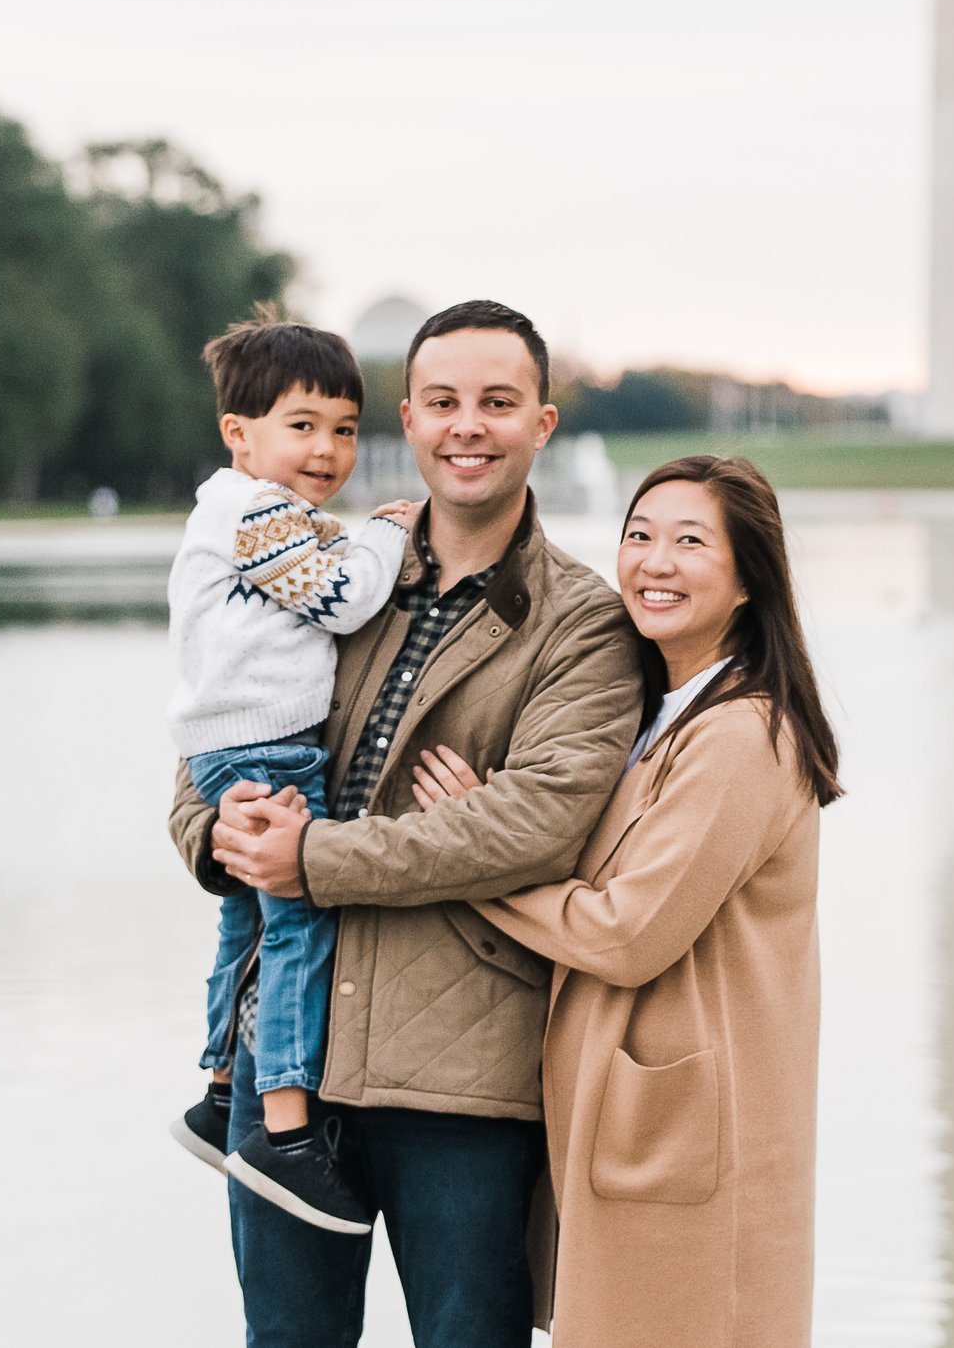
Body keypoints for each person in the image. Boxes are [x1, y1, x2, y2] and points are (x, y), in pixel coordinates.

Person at [170, 299, 643, 1348]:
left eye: (496, 402)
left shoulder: (587, 623)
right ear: (411, 418)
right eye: (442, 402)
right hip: (287, 1067)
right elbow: (211, 738)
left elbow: (535, 826)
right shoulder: (325, 567)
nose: (467, 425)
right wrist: (220, 830)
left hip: (462, 1079)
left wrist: (307, 856)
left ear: (542, 424)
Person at [409, 455, 841, 1348]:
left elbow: (628, 931)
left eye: (690, 542)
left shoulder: (739, 734)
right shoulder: (663, 711)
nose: (654, 561)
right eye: (638, 536)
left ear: (749, 579)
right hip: (629, 1142)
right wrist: (407, 536)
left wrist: (472, 854)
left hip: (688, 1153)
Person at [165, 308, 419, 1231]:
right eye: (301, 425)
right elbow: (346, 599)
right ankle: (283, 1126)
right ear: (240, 433)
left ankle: (219, 1087)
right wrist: (388, 530)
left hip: (223, 743)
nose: (327, 448)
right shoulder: (260, 514)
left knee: (245, 919)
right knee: (298, 927)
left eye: (345, 428)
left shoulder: (236, 510)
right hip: (268, 747)